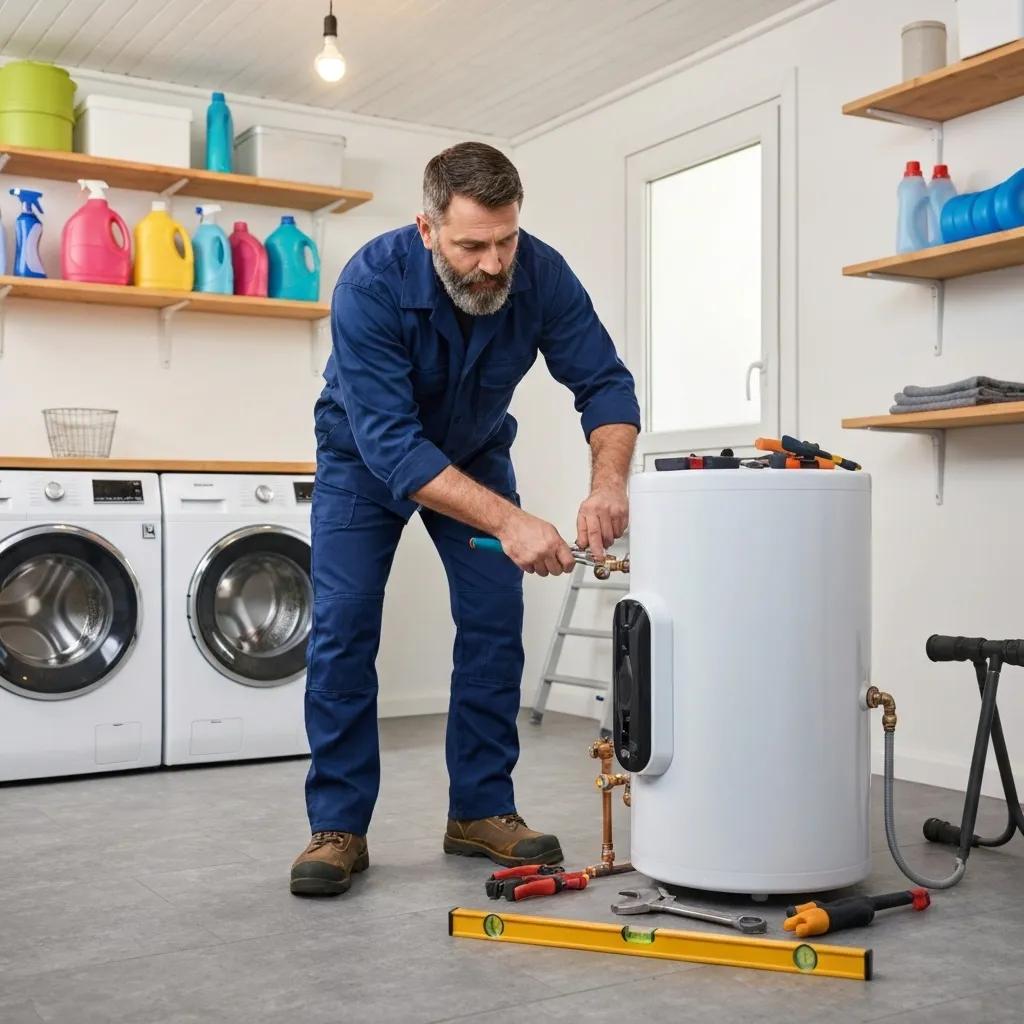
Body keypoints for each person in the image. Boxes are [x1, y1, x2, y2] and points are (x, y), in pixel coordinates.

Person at [291, 142, 640, 897]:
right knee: (345, 624)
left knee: (492, 620)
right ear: (426, 229)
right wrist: (514, 521)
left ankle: (480, 810)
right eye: (471, 244)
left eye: (505, 240)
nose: (492, 263)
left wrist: (607, 483)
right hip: (362, 458)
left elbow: (605, 383)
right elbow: (392, 445)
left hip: (475, 452)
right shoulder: (370, 284)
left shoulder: (539, 273)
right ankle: (338, 826)